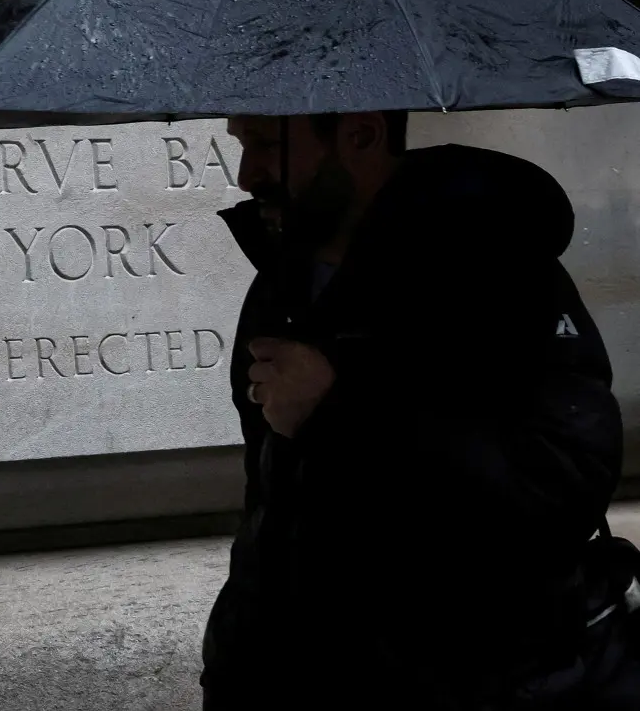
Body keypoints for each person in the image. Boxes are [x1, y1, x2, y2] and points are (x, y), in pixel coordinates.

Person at [200, 111, 637, 709]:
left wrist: (338, 411)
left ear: (360, 132)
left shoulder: (498, 267)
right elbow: (275, 501)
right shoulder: (284, 279)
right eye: (240, 144)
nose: (248, 174)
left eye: (265, 144)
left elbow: (560, 484)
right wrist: (239, 663)